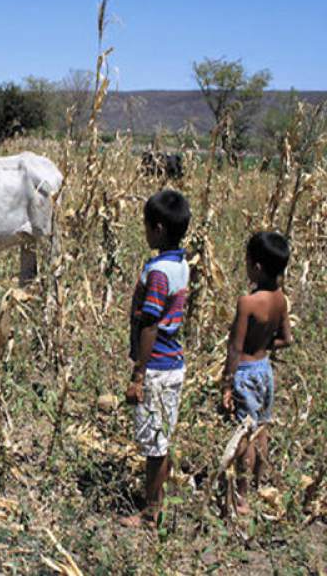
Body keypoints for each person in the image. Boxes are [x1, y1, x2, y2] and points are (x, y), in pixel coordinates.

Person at [121, 190, 191, 528]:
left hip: (157, 368)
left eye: (147, 226)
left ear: (159, 229)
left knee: (154, 447)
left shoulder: (160, 273)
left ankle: (151, 512)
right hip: (173, 363)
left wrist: (138, 374)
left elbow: (149, 323)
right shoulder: (181, 264)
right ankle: (156, 503)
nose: (144, 231)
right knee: (161, 440)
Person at [222, 232, 293, 515]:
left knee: (245, 434)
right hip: (265, 371)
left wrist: (227, 384)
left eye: (248, 262)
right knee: (262, 429)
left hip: (247, 373)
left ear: (258, 267)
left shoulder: (247, 303)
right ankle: (257, 482)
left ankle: (241, 495)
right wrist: (264, 345)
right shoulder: (280, 300)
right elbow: (287, 339)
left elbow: (235, 348)